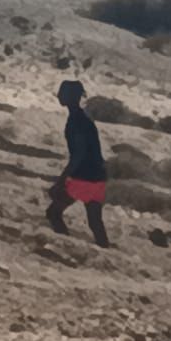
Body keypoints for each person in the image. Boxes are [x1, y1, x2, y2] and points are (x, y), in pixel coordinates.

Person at [46, 80, 109, 245]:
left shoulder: (76, 121)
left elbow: (79, 155)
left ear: (70, 97)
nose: (59, 95)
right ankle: (106, 254)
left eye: (62, 92)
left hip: (83, 177)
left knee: (53, 213)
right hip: (98, 175)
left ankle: (65, 246)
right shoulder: (83, 118)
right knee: (95, 223)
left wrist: (61, 180)